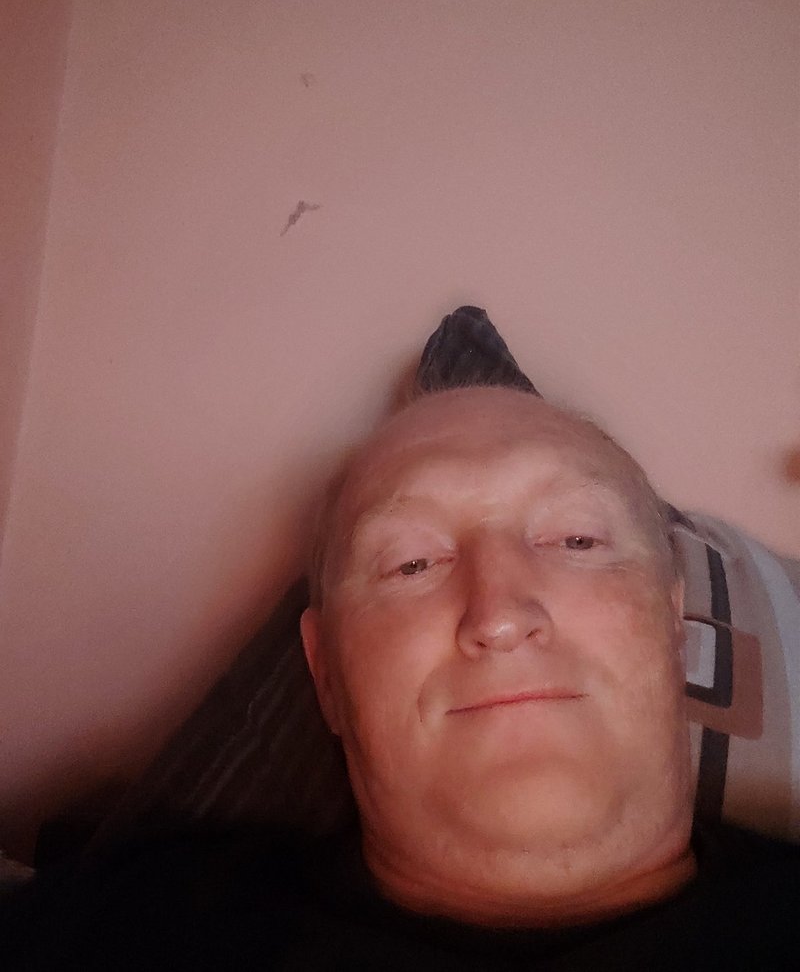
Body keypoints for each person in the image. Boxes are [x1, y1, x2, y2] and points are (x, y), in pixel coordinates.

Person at [2, 386, 799, 969]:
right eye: (411, 562)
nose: (498, 614)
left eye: (577, 540)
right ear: (326, 676)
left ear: (674, 626)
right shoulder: (122, 933)